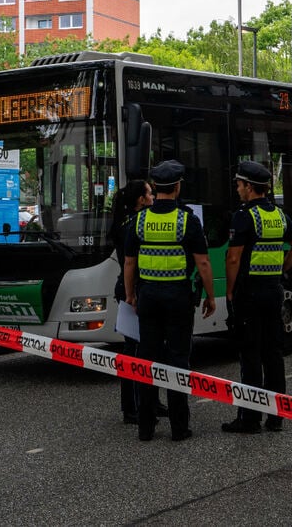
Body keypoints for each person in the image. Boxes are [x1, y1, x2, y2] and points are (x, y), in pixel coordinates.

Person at [123, 160, 216, 442]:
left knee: (147, 358)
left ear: (157, 189)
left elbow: (129, 263)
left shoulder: (139, 220)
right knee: (178, 358)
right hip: (178, 297)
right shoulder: (188, 220)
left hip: (148, 297)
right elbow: (202, 262)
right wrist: (210, 295)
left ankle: (146, 427)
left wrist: (130, 295)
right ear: (177, 187)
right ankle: (179, 427)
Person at [221, 161, 292, 434]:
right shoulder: (278, 215)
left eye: (239, 184)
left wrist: (230, 290)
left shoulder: (244, 215)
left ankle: (249, 418)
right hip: (274, 292)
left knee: (250, 355)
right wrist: (281, 269)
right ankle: (276, 416)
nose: (237, 189)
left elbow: (233, 257)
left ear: (249, 186)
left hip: (249, 294)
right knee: (273, 354)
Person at [108, 179, 168, 425]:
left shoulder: (127, 222)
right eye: (150, 194)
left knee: (149, 348)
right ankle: (132, 407)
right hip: (133, 292)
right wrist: (132, 294)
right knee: (134, 351)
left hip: (133, 290)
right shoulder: (133, 225)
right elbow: (132, 262)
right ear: (140, 200)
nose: (153, 197)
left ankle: (151, 402)